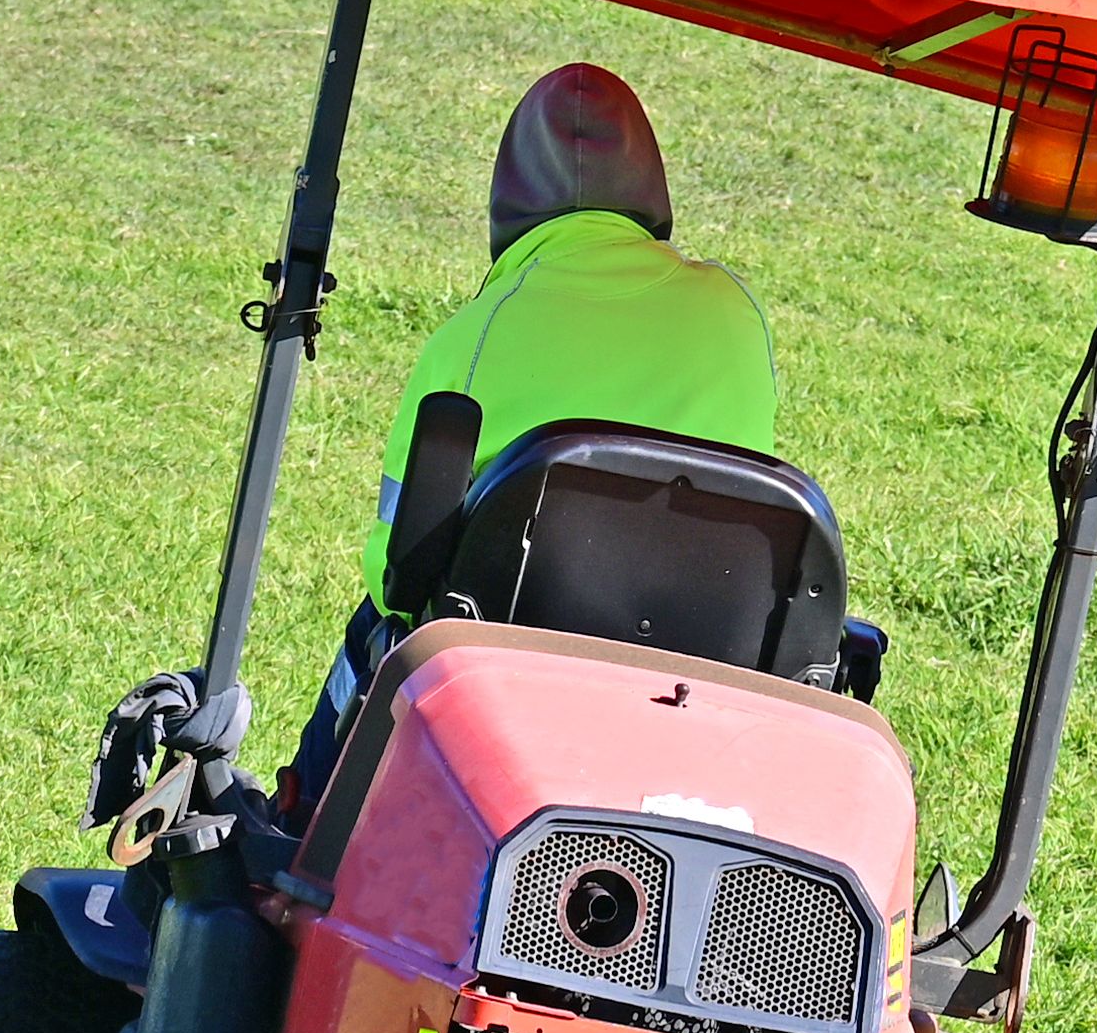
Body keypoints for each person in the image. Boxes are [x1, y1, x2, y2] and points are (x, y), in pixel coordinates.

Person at [272, 65, 778, 808]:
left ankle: (300, 832)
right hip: (695, 659)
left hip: (509, 663)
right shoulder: (736, 311)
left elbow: (397, 571)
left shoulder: (470, 337)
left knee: (372, 633)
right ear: (651, 190)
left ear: (508, 203)